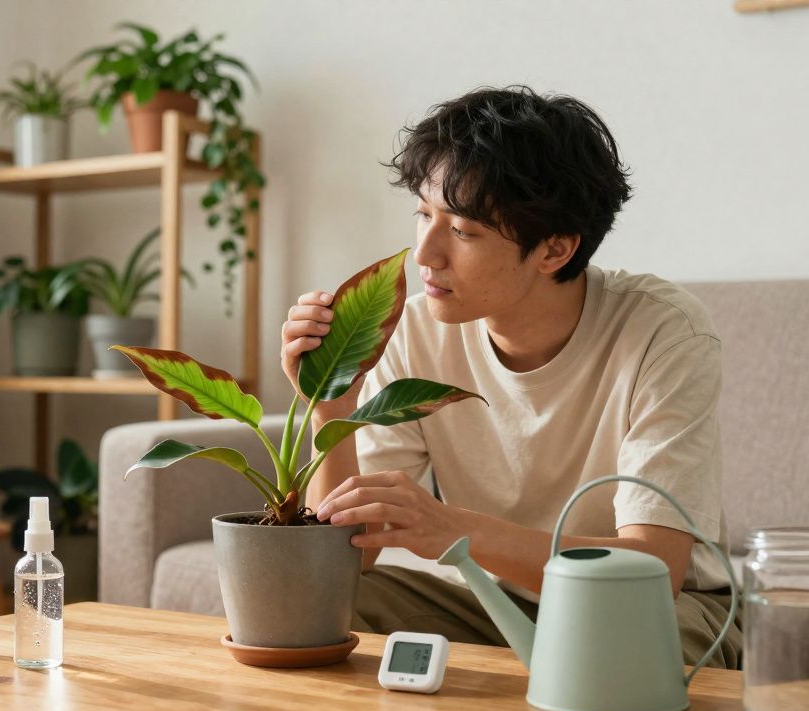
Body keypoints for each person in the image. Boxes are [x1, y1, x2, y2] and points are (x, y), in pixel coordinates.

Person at [280, 86, 741, 667]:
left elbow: (652, 571)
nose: (425, 253)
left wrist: (452, 528)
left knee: (636, 652)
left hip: (649, 612)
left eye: (463, 231)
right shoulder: (413, 330)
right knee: (318, 608)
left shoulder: (663, 333)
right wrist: (331, 406)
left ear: (554, 250)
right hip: (489, 600)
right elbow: (355, 556)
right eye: (424, 214)